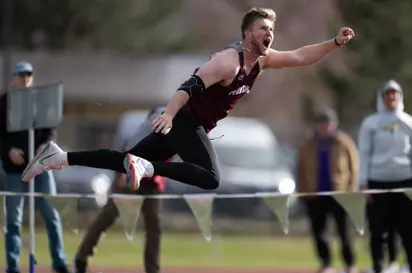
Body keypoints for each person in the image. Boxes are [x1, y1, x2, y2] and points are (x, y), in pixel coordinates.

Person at [21, 8, 355, 202]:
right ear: (246, 32)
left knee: (126, 162)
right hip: (183, 120)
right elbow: (188, 85)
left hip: (186, 123)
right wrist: (167, 114)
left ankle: (60, 156)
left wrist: (335, 43)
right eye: (263, 29)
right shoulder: (229, 60)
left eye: (272, 29)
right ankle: (146, 168)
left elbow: (300, 56)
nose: (270, 34)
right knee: (210, 178)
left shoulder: (263, 61)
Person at [73, 107, 168, 273]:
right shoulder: (163, 115)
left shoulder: (194, 123)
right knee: (108, 216)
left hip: (152, 178)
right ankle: (81, 261)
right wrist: (125, 171)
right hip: (130, 167)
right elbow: (136, 141)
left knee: (154, 222)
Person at [0, 62, 72, 273]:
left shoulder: (40, 101)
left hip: (41, 167)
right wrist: (8, 150)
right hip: (15, 170)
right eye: (21, 76)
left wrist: (46, 144)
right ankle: (13, 267)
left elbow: (51, 128)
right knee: (14, 219)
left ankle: (59, 262)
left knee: (52, 214)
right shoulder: (3, 103)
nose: (25, 79)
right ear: (13, 78)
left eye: (28, 76)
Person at [358, 79, 412, 273]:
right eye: (387, 94)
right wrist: (363, 183)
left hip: (405, 182)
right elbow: (364, 153)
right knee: (378, 231)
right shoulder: (370, 124)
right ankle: (378, 270)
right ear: (381, 97)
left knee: (409, 231)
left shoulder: (410, 123)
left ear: (399, 96)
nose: (391, 97)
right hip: (377, 182)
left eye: (394, 94)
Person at [297, 109, 359, 273]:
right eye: (322, 123)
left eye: (328, 123)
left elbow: (354, 167)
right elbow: (300, 170)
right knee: (319, 232)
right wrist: (303, 192)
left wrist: (350, 190)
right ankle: (326, 264)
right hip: (315, 194)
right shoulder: (307, 145)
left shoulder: (344, 142)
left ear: (334, 124)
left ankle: (350, 264)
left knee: (344, 231)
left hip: (339, 194)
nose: (325, 127)